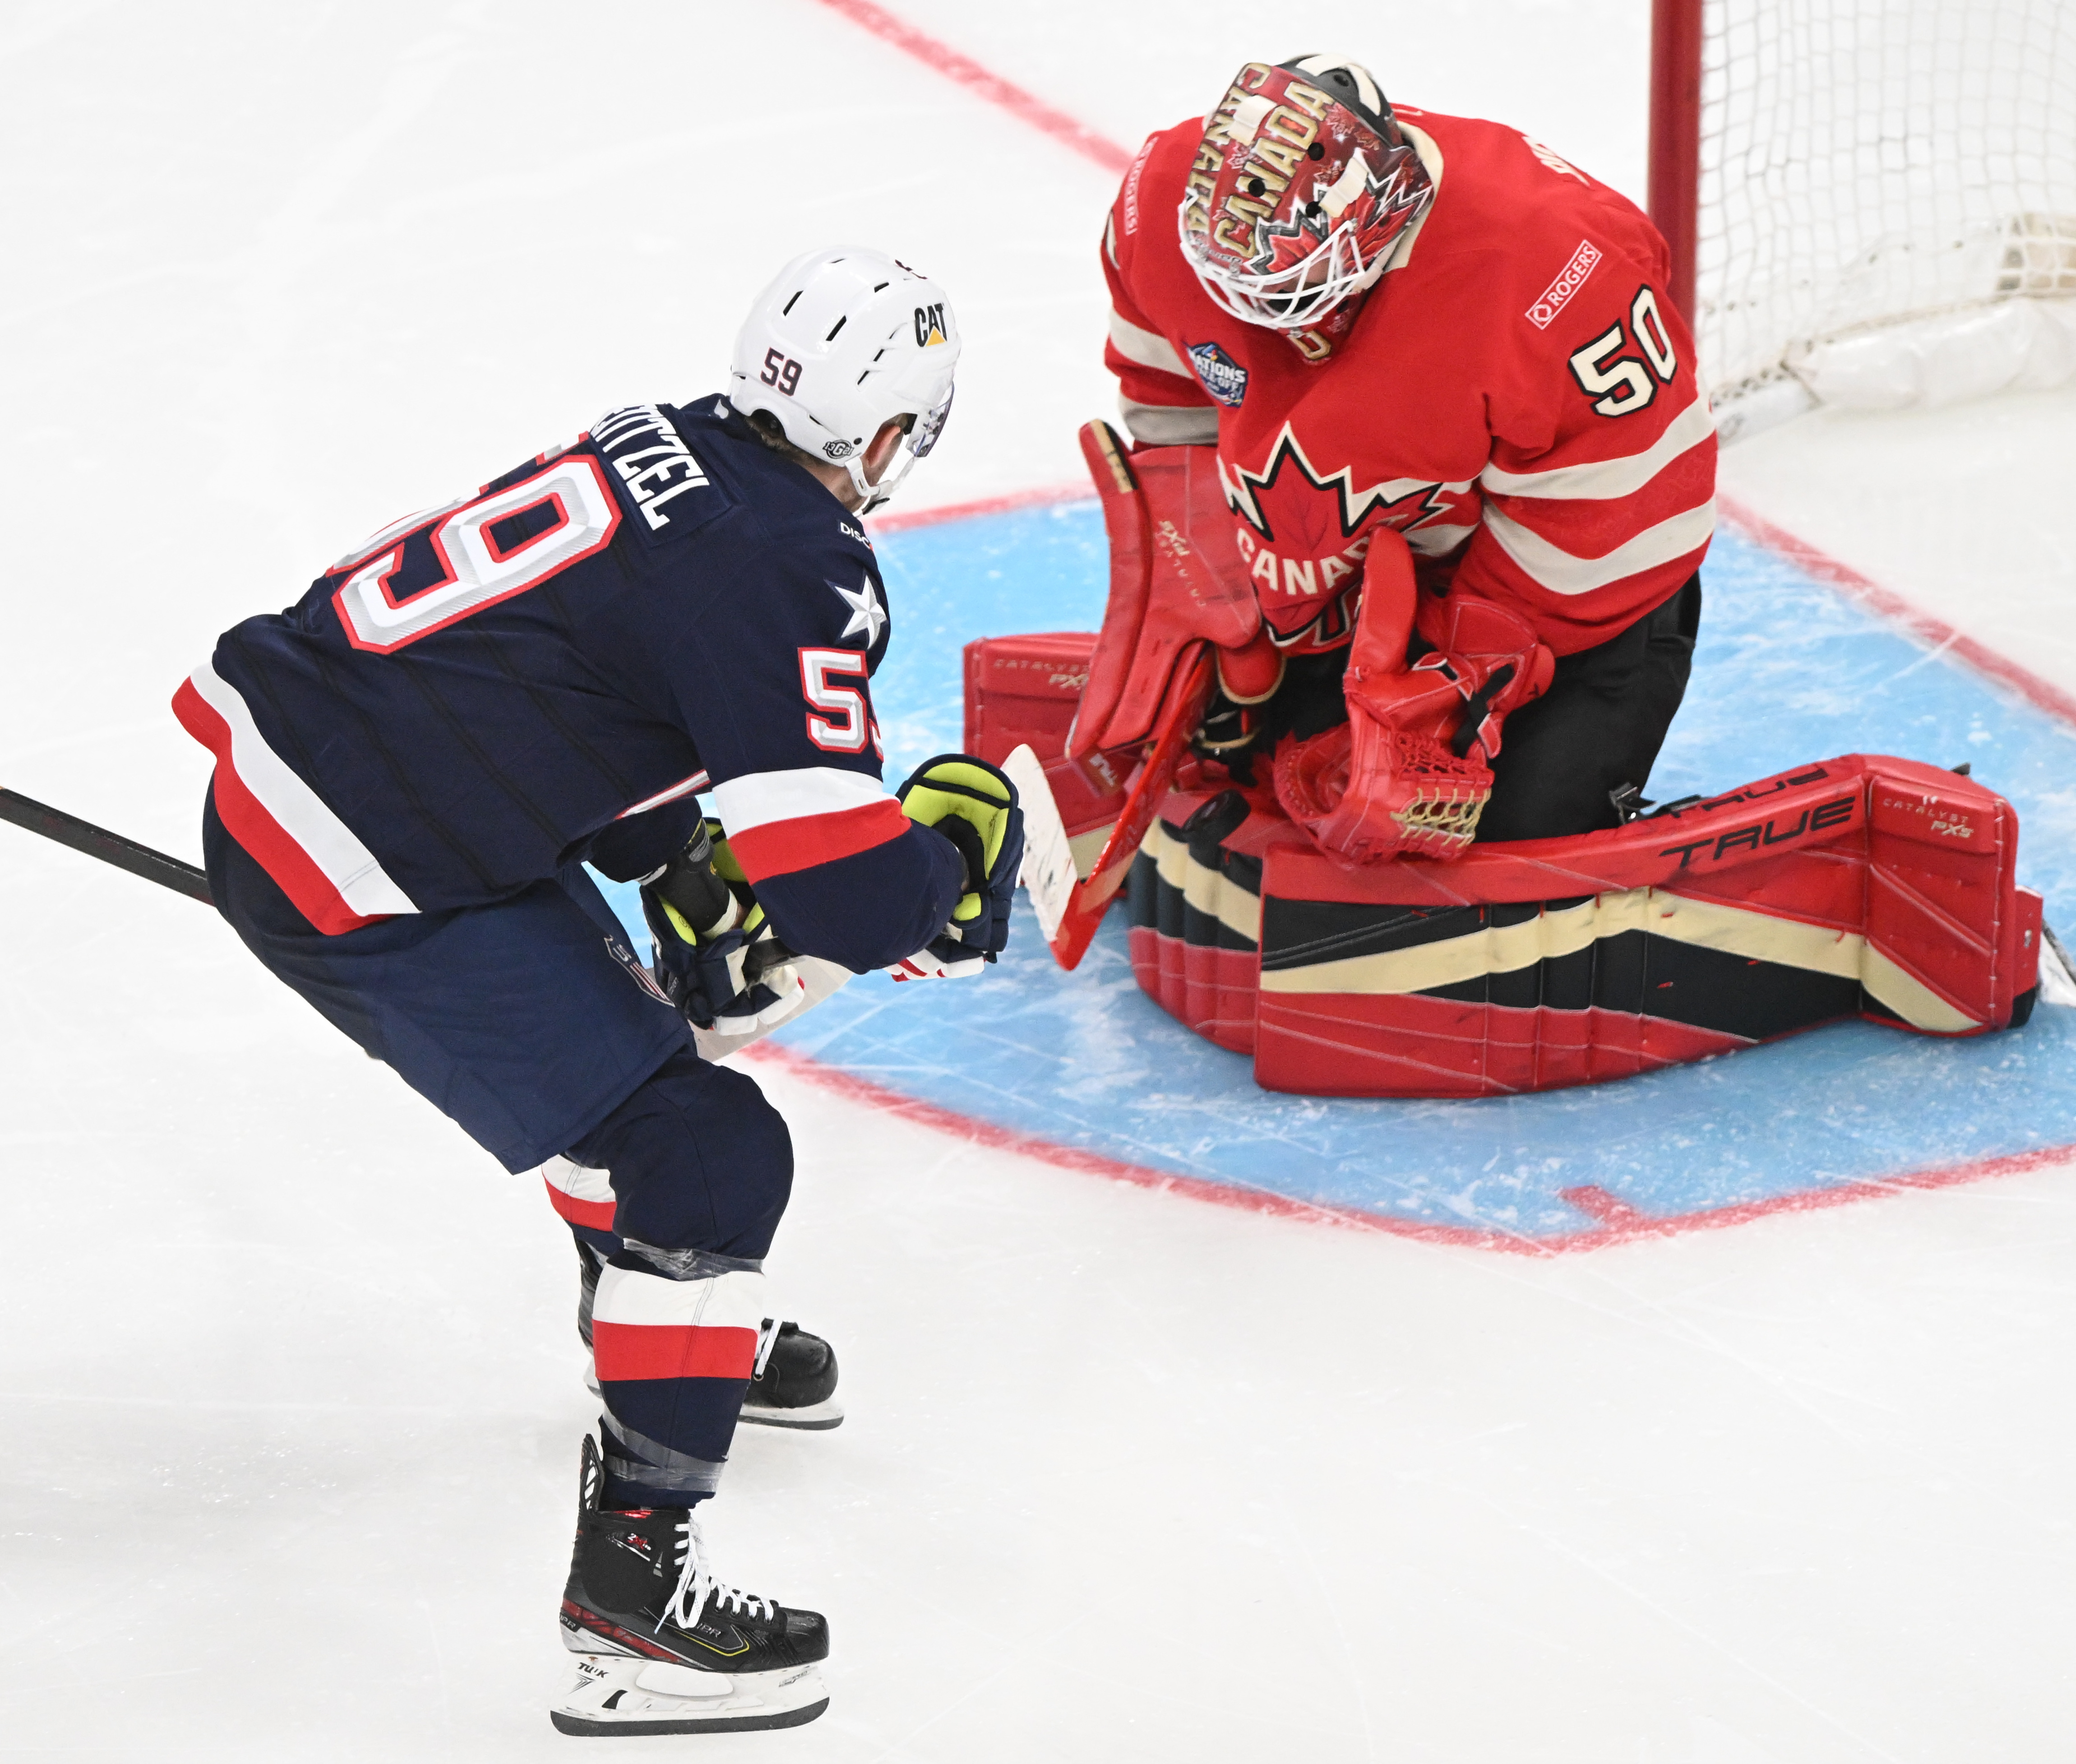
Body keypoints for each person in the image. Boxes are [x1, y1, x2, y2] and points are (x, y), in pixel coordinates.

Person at [170, 246, 1024, 1737]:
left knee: (630, 1044)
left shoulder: (667, 436)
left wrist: (675, 850)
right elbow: (837, 887)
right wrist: (948, 873)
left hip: (336, 763)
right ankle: (637, 1610)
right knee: (706, 1152)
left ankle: (654, 1320)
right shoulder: (796, 563)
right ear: (890, 437)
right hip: (369, 855)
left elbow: (591, 669)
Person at [1100, 55, 1716, 844]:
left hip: (1563, 607)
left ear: (1383, 211)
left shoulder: (1552, 265)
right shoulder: (1160, 211)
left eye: (1300, 298)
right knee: (1254, 789)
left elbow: (1632, 514)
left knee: (1510, 846)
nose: (1282, 332)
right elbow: (1172, 401)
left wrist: (1455, 680)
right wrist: (1214, 587)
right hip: (1347, 585)